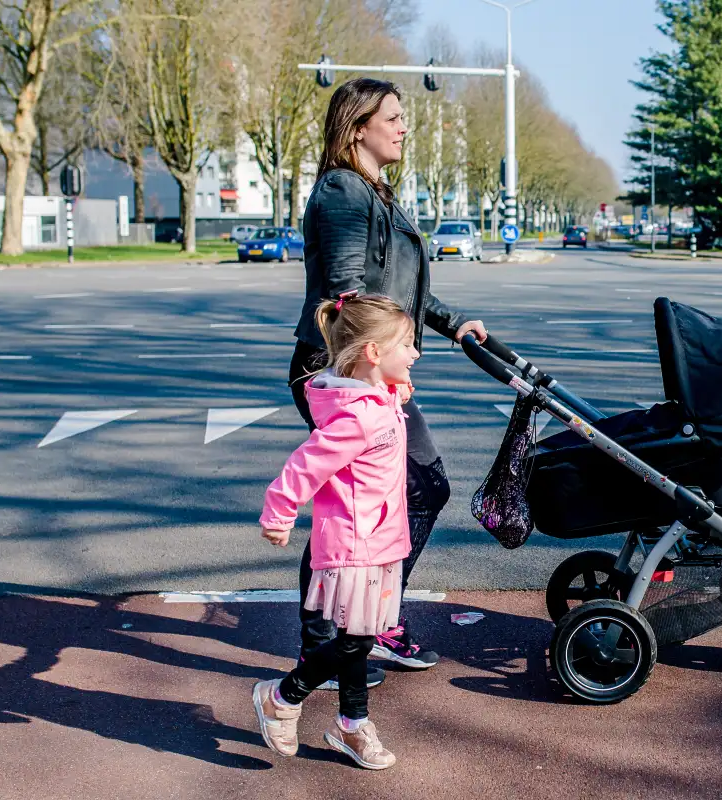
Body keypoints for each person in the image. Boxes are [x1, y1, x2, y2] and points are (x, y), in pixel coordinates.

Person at [290, 77, 487, 683]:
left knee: (413, 492)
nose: (404, 127)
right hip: (343, 368)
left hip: (371, 364)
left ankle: (366, 623)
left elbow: (395, 292)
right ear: (357, 129)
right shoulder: (345, 195)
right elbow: (352, 297)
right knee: (360, 505)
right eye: (393, 118)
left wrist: (452, 324)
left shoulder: (373, 192)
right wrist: (375, 372)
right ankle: (328, 644)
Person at [254, 295, 418, 769]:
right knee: (357, 641)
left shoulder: (380, 397)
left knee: (357, 637)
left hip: (380, 537)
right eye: (406, 345)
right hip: (355, 542)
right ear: (372, 352)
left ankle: (351, 726)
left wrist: (398, 385)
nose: (415, 354)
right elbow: (305, 465)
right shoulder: (359, 415)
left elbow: (390, 393)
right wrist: (279, 513)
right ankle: (282, 697)